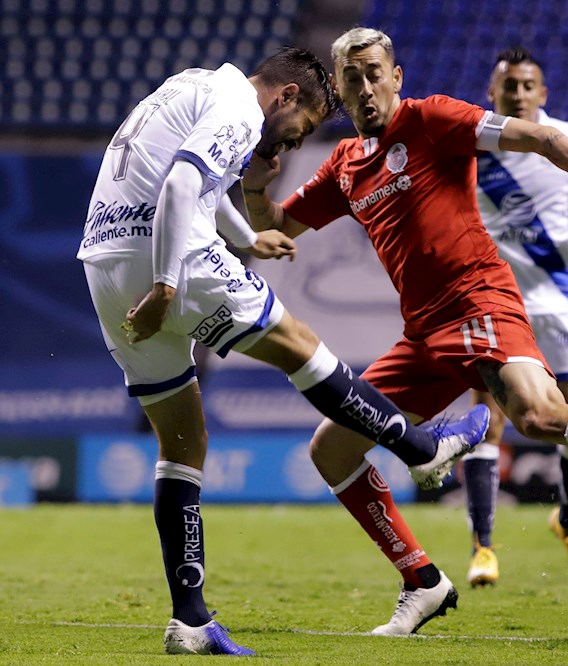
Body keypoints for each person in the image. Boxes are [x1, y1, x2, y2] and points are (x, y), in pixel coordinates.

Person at [242, 27, 568, 635]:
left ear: (397, 78)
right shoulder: (344, 164)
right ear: (339, 92)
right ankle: (421, 580)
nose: (365, 88)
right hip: (422, 334)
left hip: (479, 299)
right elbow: (277, 227)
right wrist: (257, 179)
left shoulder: (433, 120)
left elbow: (543, 136)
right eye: (352, 79)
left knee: (538, 415)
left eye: (374, 73)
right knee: (331, 448)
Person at [78, 47, 488, 655]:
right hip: (166, 256)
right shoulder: (242, 109)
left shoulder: (191, 85)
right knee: (298, 344)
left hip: (103, 265)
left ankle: (189, 619)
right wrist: (166, 286)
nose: (293, 146)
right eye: (303, 131)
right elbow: (185, 182)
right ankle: (421, 448)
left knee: (183, 439)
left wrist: (247, 236)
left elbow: (198, 178)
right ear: (286, 97)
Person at [462, 47, 568, 587]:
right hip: (497, 300)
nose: (520, 94)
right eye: (510, 86)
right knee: (489, 419)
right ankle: (483, 549)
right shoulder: (475, 143)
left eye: (529, 85)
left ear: (543, 93)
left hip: (559, 300)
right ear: (494, 92)